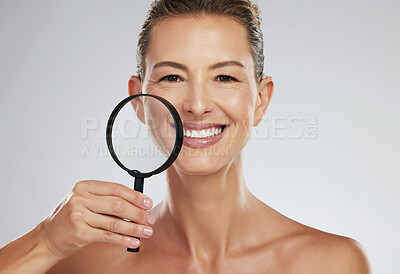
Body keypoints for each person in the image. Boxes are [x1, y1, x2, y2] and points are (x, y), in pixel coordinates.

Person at [0, 0, 371, 273]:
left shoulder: (331, 263)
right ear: (138, 101)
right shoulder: (82, 263)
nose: (196, 104)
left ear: (262, 100)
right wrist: (44, 242)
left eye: (224, 77)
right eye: (172, 77)